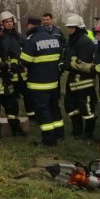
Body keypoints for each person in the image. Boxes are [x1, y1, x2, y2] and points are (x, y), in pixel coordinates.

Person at [20, 16, 64, 146]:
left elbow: (25, 61)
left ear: (30, 26)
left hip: (38, 84)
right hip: (53, 82)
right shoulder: (54, 38)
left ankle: (49, 140)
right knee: (54, 109)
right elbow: (59, 57)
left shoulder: (32, 40)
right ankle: (59, 134)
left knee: (43, 112)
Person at [61, 14, 97, 139]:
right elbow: (68, 58)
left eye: (71, 27)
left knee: (86, 108)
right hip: (72, 81)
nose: (69, 30)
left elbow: (81, 63)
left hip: (84, 82)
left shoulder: (85, 42)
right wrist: (65, 63)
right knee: (70, 106)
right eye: (68, 27)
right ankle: (77, 130)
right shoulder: (72, 41)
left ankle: (88, 133)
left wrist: (67, 64)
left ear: (78, 28)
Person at [0, 10, 35, 124]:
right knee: (12, 99)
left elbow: (26, 48)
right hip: (9, 73)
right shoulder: (0, 37)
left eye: (11, 21)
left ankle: (32, 117)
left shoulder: (18, 36)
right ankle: (15, 119)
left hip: (22, 72)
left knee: (29, 96)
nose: (9, 23)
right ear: (2, 24)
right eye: (6, 22)